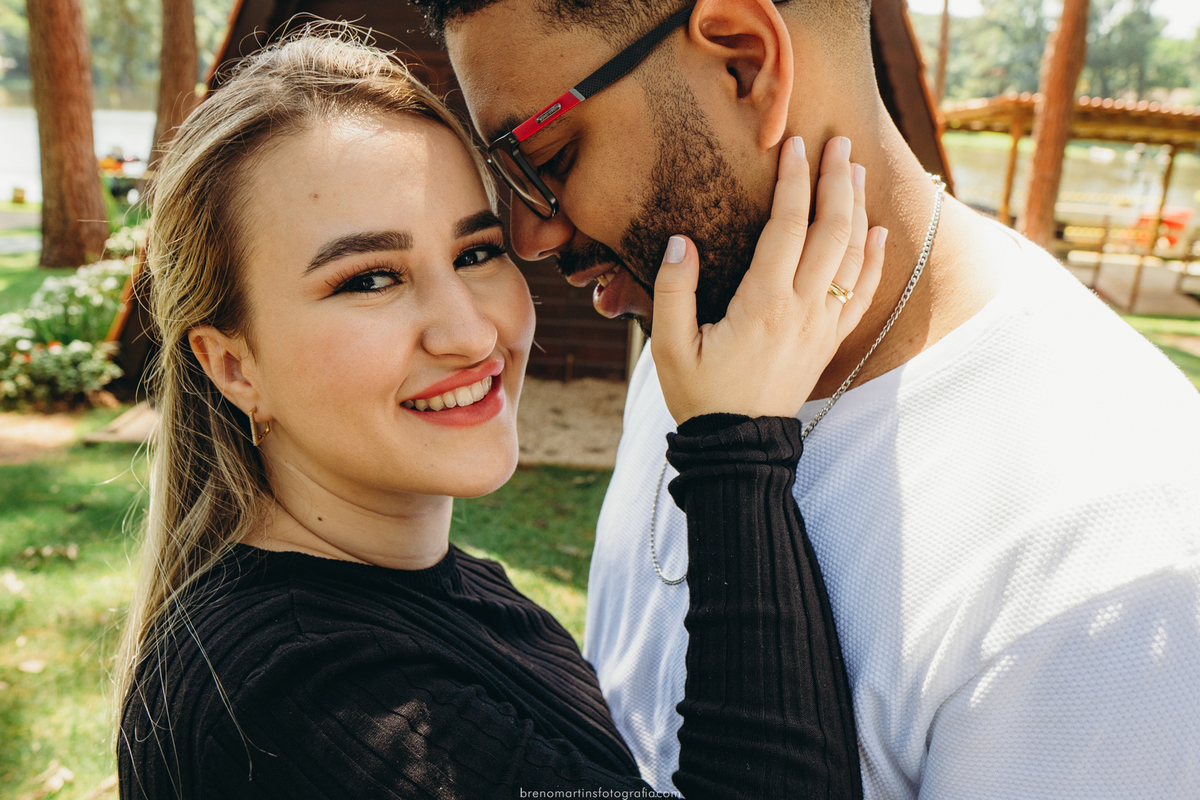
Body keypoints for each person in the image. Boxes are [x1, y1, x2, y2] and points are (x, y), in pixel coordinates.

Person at [420, 0, 1200, 796]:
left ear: (745, 62)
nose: (530, 237)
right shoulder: (701, 331)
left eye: (548, 159)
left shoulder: (1113, 549)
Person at [115, 29, 888, 799]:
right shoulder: (297, 694)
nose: (471, 334)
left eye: (476, 254)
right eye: (370, 279)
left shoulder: (459, 597)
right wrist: (736, 445)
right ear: (234, 366)